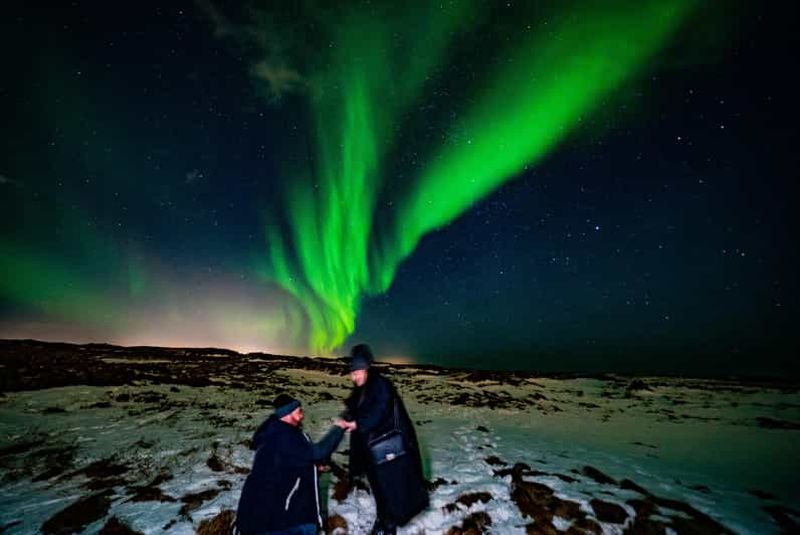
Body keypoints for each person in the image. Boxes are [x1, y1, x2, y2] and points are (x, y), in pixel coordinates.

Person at [236, 393, 353, 535]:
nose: (302, 416)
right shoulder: (285, 435)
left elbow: (288, 461)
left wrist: (312, 466)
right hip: (275, 518)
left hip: (262, 513)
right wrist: (339, 428)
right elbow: (318, 452)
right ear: (288, 413)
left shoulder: (274, 432)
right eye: (299, 412)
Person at [344, 344, 429, 535]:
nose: (353, 377)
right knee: (380, 491)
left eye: (356, 372)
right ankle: (382, 521)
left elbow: (379, 411)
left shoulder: (380, 384)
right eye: (352, 372)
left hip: (388, 452)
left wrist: (358, 423)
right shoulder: (363, 388)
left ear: (366, 369)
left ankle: (388, 528)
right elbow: (361, 409)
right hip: (374, 452)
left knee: (389, 492)